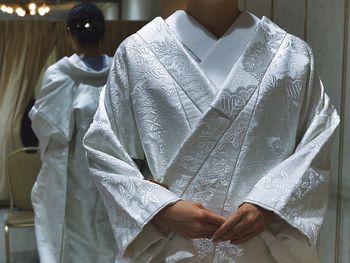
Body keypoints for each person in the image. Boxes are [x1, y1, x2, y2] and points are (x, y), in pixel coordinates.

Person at [83, 0, 339, 262]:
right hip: (171, 243)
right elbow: (105, 148)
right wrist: (161, 209)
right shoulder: (137, 53)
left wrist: (270, 205)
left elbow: (315, 141)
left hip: (259, 246)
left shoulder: (291, 55)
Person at [30, 3, 116, 263]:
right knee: (110, 238)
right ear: (104, 32)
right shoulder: (119, 73)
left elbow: (45, 127)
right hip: (114, 173)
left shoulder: (59, 75)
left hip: (72, 175)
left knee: (74, 242)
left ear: (69, 33)